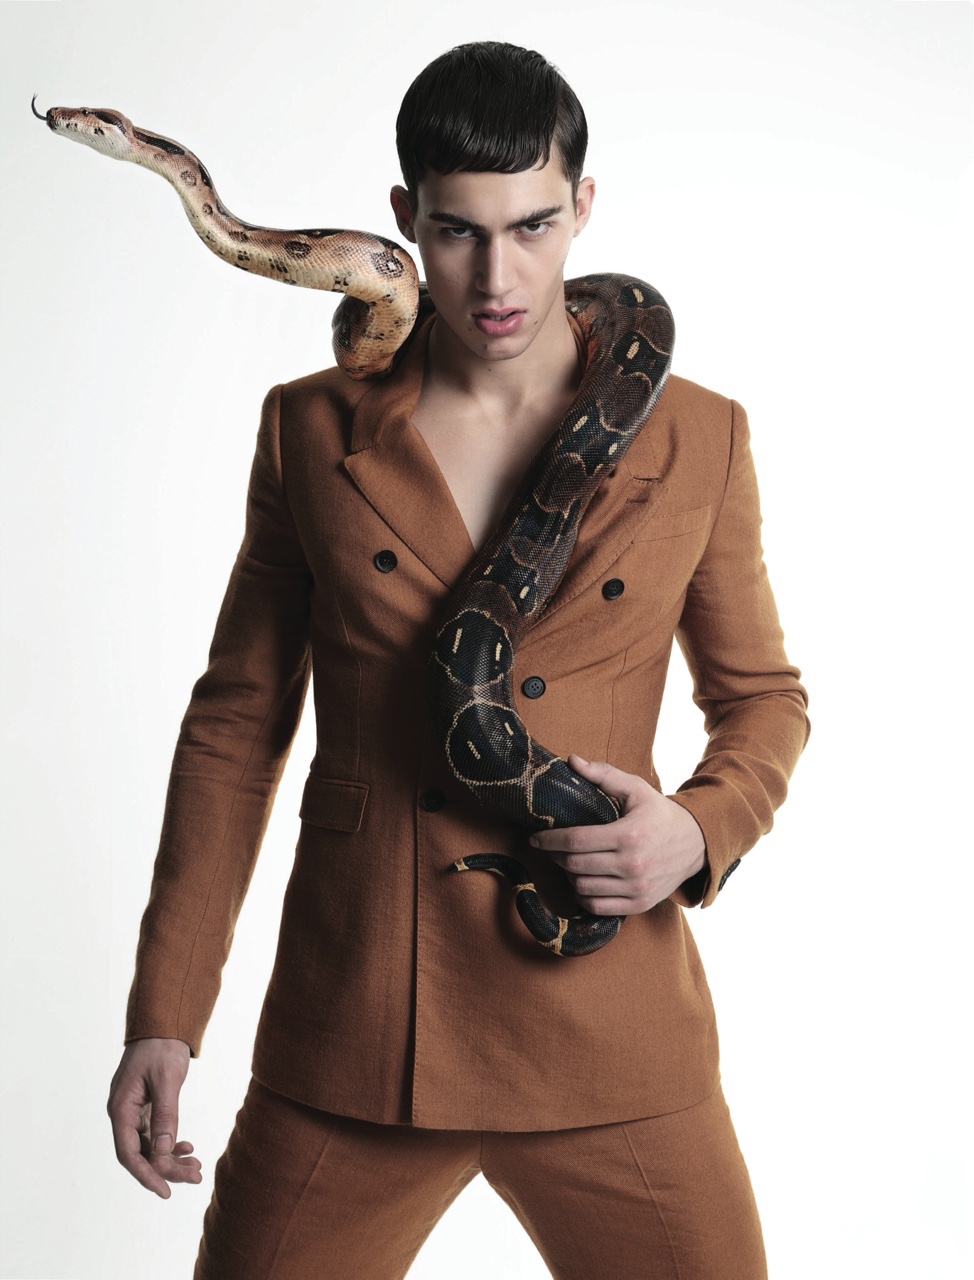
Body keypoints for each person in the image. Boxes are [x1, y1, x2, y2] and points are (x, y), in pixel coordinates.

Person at [107, 40, 809, 1280]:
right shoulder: (310, 425)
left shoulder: (697, 434)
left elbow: (761, 700)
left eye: (532, 227)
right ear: (403, 218)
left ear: (582, 206)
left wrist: (696, 830)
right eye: (458, 232)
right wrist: (165, 1010)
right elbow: (235, 724)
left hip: (610, 1028)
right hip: (359, 1020)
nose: (497, 277)